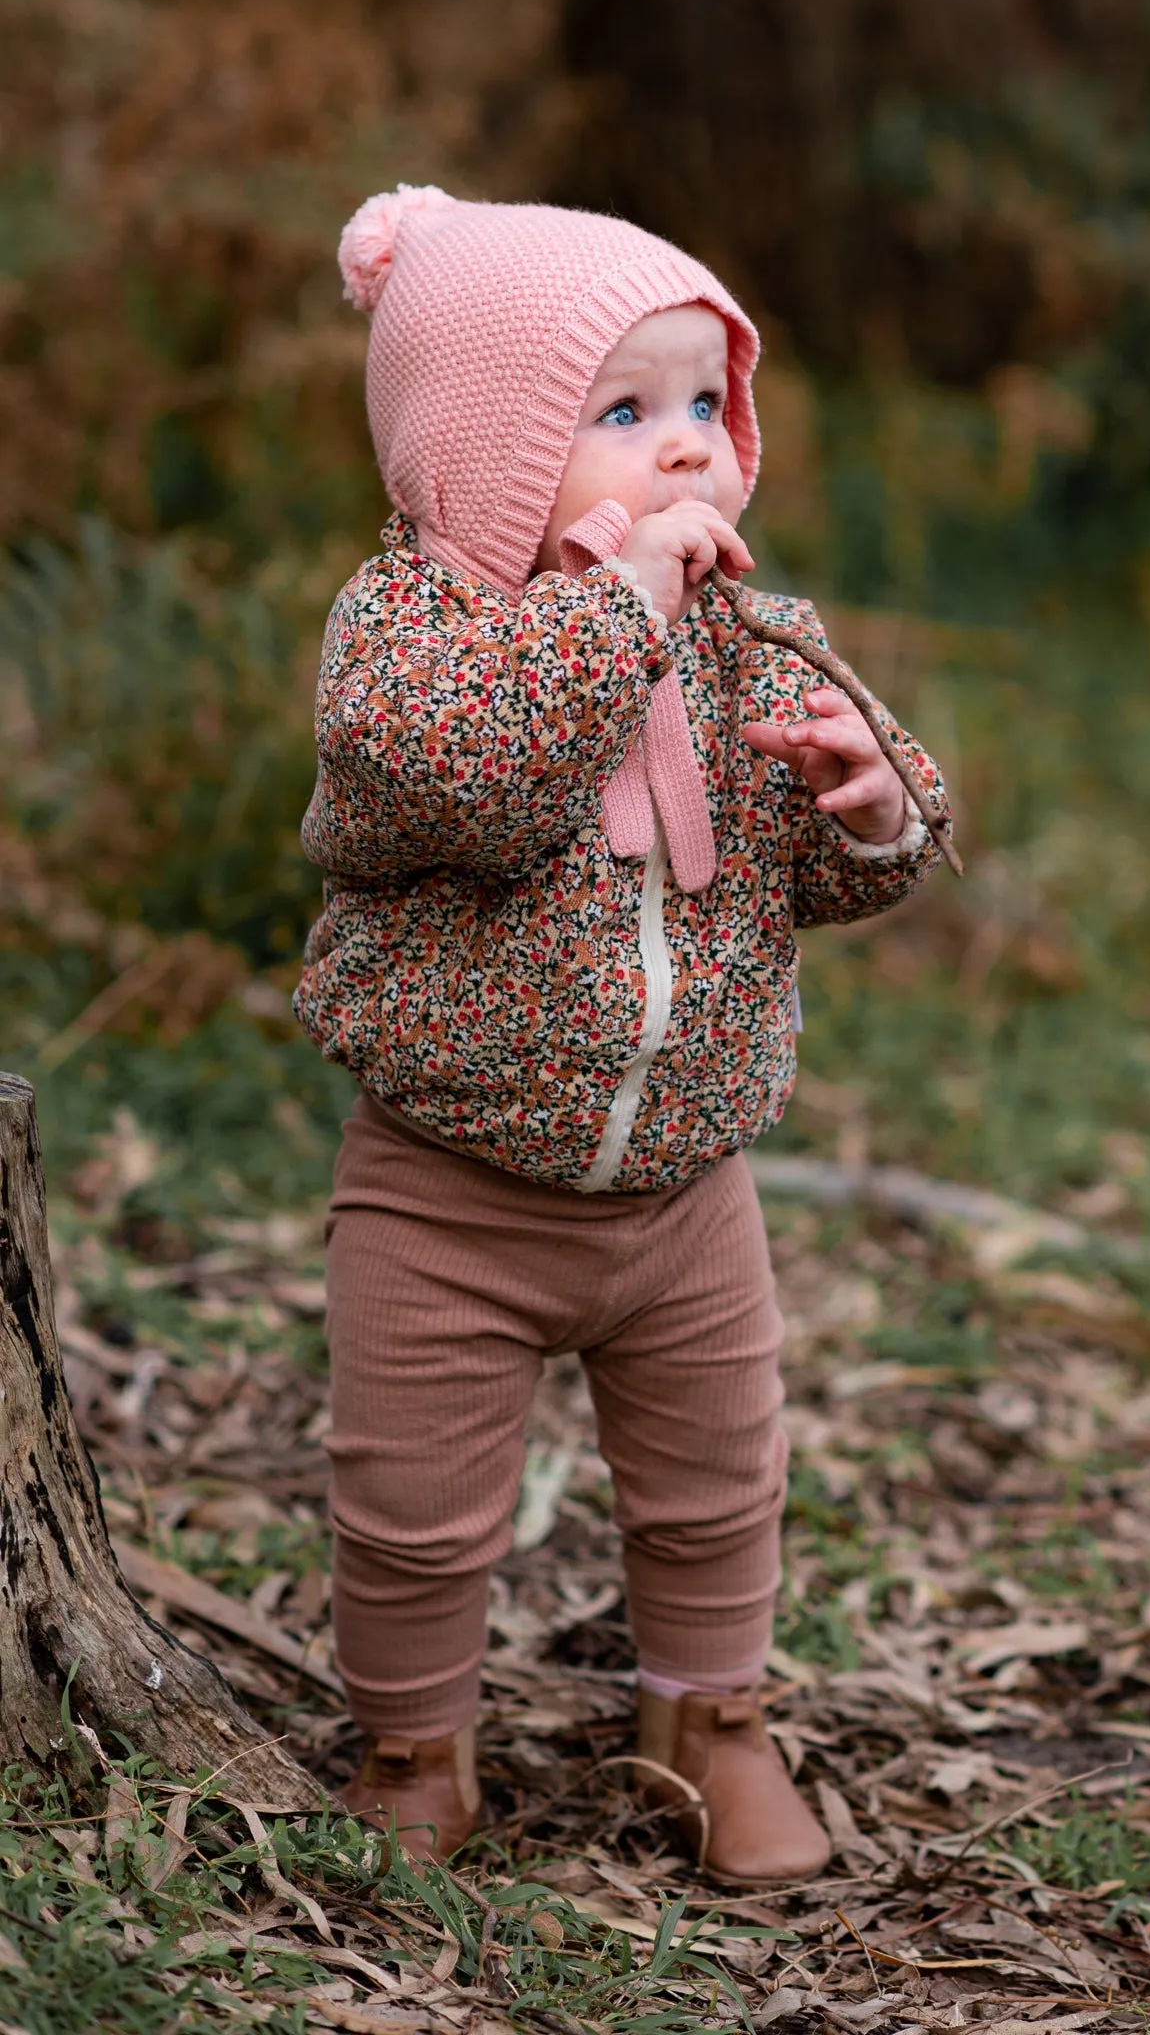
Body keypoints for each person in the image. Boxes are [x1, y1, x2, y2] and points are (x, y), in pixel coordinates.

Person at [293, 185, 952, 1883]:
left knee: (719, 1484)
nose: (686, 453)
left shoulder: (750, 639)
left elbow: (832, 866)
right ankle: (414, 1749)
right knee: (415, 1505)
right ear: (486, 455)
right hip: (452, 1190)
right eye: (621, 413)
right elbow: (451, 779)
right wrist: (615, 615)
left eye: (704, 408)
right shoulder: (415, 637)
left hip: (688, 1195)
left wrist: (873, 813)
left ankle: (706, 1731)